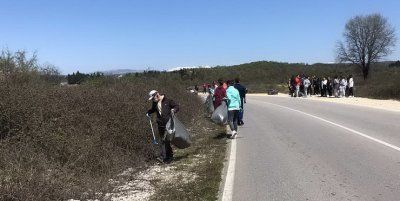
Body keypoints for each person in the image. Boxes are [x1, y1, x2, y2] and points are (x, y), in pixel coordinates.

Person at [146, 90, 179, 164]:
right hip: (160, 124)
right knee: (164, 140)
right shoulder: (155, 102)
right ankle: (170, 156)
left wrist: (174, 110)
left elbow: (177, 106)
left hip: (168, 123)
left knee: (164, 140)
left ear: (157, 94)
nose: (153, 100)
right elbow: (153, 109)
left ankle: (162, 157)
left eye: (153, 98)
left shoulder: (168, 101)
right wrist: (148, 112)